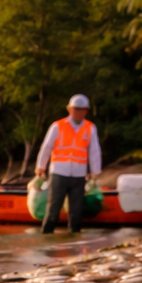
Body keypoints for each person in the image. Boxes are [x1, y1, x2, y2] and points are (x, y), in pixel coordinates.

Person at [34, 94, 102, 235]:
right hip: (59, 173)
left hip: (78, 175)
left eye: (82, 109)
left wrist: (95, 172)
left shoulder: (90, 128)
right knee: (53, 207)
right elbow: (46, 147)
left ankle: (74, 239)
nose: (79, 112)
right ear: (69, 109)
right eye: (76, 109)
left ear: (86, 111)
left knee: (76, 210)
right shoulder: (57, 126)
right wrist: (41, 167)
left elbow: (94, 151)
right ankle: (47, 236)